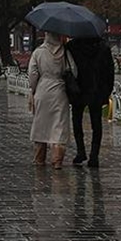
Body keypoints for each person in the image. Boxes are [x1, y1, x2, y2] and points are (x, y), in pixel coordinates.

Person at [65, 36, 115, 168]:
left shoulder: (72, 46)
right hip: (96, 90)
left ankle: (81, 151)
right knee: (96, 124)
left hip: (78, 89)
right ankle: (94, 155)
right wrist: (106, 91)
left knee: (77, 121)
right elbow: (110, 71)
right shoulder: (103, 47)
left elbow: (68, 68)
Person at [28, 31, 73, 169]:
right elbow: (73, 70)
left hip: (43, 90)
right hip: (60, 91)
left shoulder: (38, 52)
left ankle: (39, 159)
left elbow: (32, 74)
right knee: (59, 125)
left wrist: (33, 89)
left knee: (41, 125)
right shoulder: (65, 51)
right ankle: (57, 160)